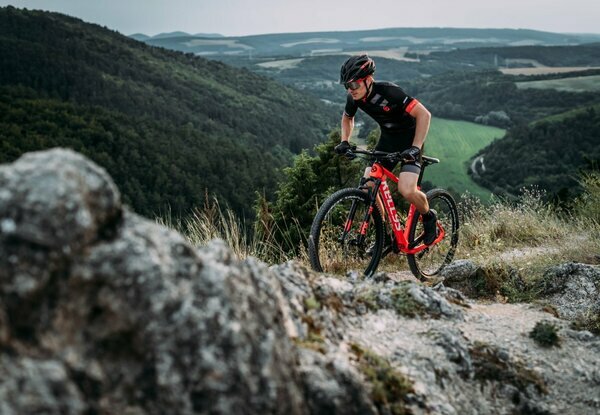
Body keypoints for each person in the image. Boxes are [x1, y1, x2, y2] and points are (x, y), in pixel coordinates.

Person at [334, 54, 438, 247]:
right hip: (388, 141)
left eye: (354, 84)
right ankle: (385, 234)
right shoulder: (354, 98)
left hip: (410, 141)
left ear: (368, 80)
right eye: (347, 85)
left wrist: (415, 148)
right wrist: (344, 141)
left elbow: (424, 115)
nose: (350, 89)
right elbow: (347, 117)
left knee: (406, 190)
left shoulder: (389, 92)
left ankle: (429, 216)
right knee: (368, 185)